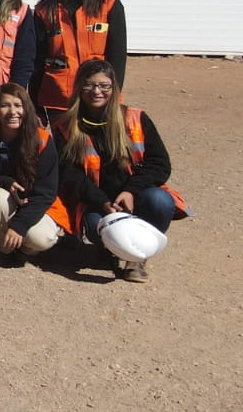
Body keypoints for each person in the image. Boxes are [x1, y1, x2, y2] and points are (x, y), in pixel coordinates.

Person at [55, 61, 187, 282]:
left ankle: (136, 257)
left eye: (104, 86)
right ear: (79, 88)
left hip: (137, 197)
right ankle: (110, 249)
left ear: (114, 88)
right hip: (96, 202)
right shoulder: (66, 125)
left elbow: (160, 163)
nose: (97, 91)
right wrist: (103, 202)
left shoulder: (135, 118)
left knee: (161, 201)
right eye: (89, 85)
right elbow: (70, 175)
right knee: (96, 228)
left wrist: (131, 192)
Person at [33, 0, 127, 121]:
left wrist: (113, 94)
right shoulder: (44, 9)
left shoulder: (109, 4)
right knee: (64, 149)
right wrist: (35, 102)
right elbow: (37, 59)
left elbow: (117, 56)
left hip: (98, 96)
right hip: (58, 98)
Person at [0, 84, 68, 266]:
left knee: (41, 238)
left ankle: (24, 249)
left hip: (36, 203)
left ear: (26, 108)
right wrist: (4, 182)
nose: (12, 111)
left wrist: (18, 226)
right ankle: (0, 249)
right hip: (4, 203)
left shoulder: (42, 139)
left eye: (18, 105)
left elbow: (46, 192)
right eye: (5, 105)